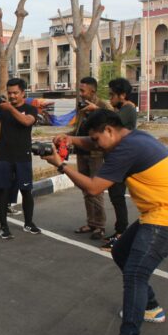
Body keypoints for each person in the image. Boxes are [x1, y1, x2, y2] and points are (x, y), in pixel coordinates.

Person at [47, 109, 168, 335]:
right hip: (157, 213)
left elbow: (93, 188)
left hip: (167, 220)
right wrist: (70, 140)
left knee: (135, 275)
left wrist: (60, 165)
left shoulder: (125, 151)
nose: (96, 144)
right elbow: (92, 142)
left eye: (96, 138)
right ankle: (151, 307)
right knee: (120, 252)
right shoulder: (135, 138)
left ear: (109, 131)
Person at [0, 78, 40, 239]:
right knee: (3, 191)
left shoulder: (30, 109)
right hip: (4, 156)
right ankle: (4, 226)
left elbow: (26, 122)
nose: (12, 96)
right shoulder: (2, 109)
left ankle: (28, 223)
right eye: (9, 93)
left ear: (23, 93)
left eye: (15, 93)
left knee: (26, 191)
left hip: (23, 156)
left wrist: (10, 108)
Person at [70, 76, 112, 240]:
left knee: (96, 190)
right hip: (82, 152)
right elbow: (78, 128)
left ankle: (100, 226)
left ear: (92, 90)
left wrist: (96, 110)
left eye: (83, 90)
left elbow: (115, 121)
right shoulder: (82, 106)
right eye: (79, 90)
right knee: (86, 189)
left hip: (96, 154)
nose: (80, 94)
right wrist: (67, 137)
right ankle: (91, 222)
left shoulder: (102, 105)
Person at [100, 77, 138, 251]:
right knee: (116, 196)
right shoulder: (123, 108)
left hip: (122, 159)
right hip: (117, 157)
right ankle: (120, 230)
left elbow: (113, 123)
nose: (110, 98)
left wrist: (99, 109)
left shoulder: (128, 109)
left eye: (112, 95)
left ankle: (121, 233)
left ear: (122, 95)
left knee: (117, 195)